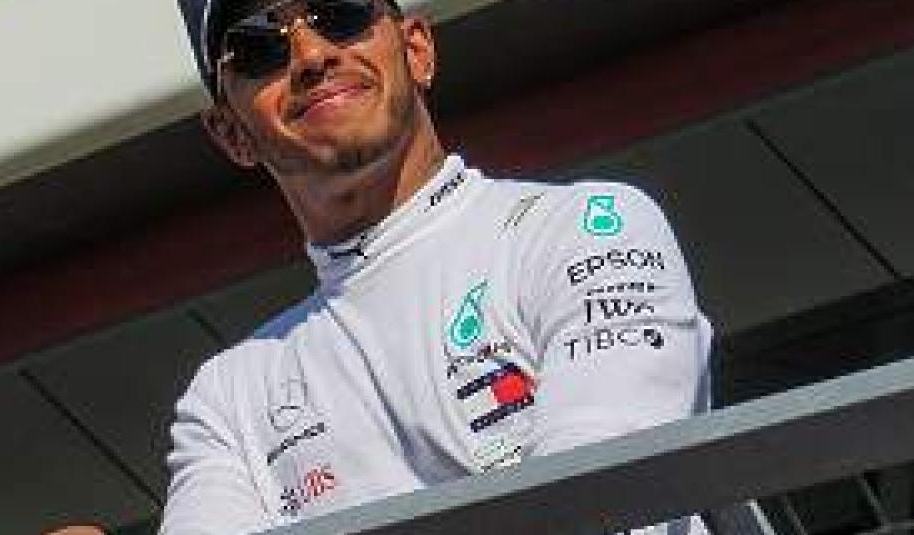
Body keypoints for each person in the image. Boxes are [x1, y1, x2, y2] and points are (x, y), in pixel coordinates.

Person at [159, 0, 714, 533]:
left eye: (340, 11)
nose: (312, 55)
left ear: (417, 49)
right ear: (231, 134)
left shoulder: (585, 229)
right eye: (257, 45)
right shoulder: (229, 397)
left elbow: (597, 499)